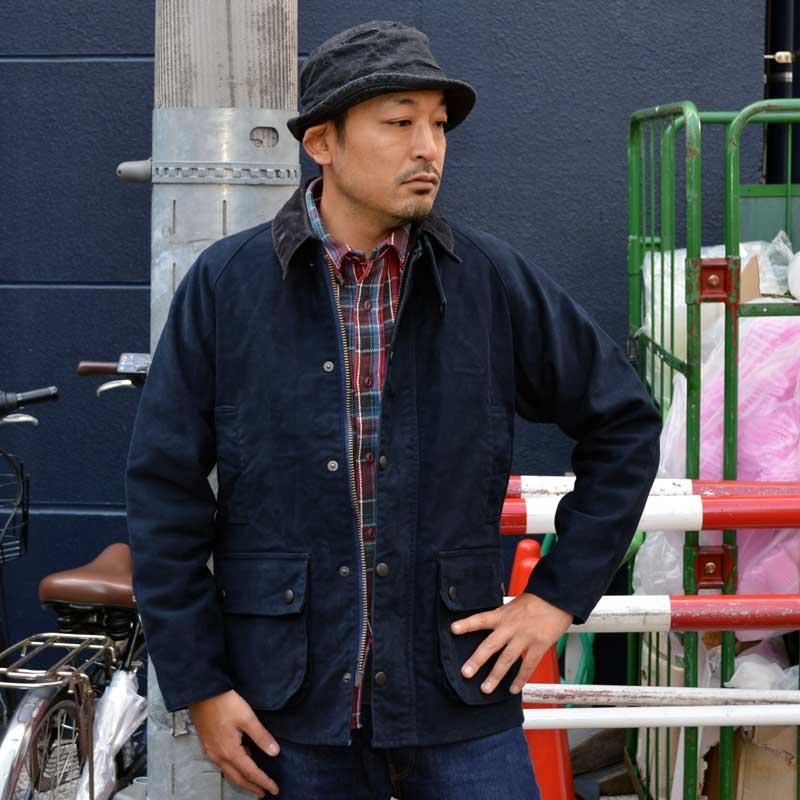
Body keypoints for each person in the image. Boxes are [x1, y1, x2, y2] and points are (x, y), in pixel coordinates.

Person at [125, 19, 662, 800]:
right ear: (322, 142)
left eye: (438, 125)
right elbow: (163, 491)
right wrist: (199, 685)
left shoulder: (488, 281)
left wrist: (555, 598)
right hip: (294, 708)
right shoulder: (228, 286)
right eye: (399, 122)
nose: (428, 147)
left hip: (457, 694)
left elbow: (624, 424)